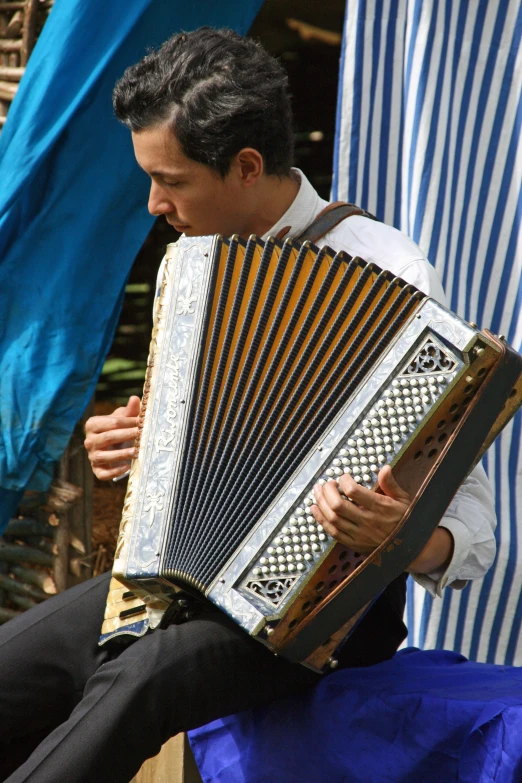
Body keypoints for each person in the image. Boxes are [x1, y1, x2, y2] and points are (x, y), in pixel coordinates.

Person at [0, 28, 496, 783]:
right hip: (179, 581)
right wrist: (143, 446)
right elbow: (203, 449)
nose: (154, 203)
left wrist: (405, 534)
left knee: (140, 676)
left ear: (247, 167)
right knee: (13, 669)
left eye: (172, 180)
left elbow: (474, 520)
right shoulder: (191, 266)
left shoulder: (390, 272)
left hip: (322, 613)